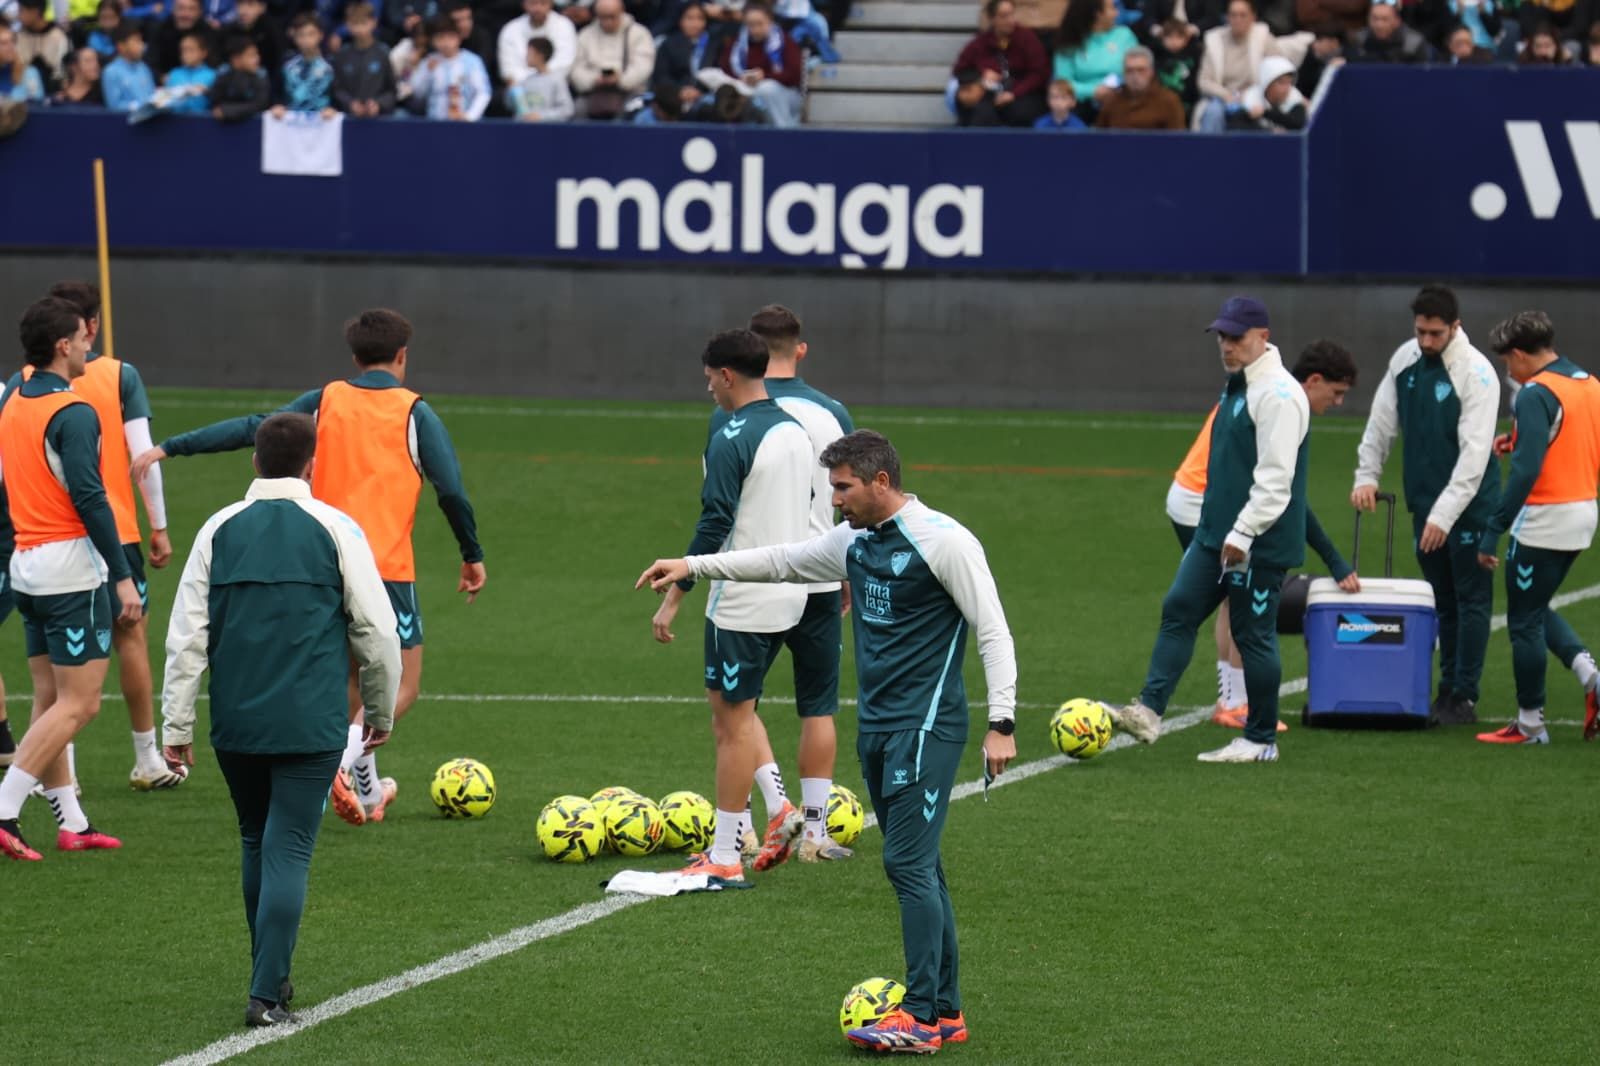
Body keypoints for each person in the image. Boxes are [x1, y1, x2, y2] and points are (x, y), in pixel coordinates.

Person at [637, 429, 1017, 1054]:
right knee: (923, 867)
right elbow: (782, 560)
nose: (834, 500)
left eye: (843, 488)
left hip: (926, 729)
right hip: (877, 728)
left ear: (881, 482)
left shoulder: (945, 541)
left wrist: (1001, 723)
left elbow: (994, 630)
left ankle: (921, 1016)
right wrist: (694, 567)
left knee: (907, 864)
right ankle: (946, 1012)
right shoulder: (854, 541)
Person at [131, 308, 485, 828]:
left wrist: (170, 447)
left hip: (322, 560)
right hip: (384, 567)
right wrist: (471, 554)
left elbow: (255, 428)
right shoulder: (415, 413)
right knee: (400, 684)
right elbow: (450, 489)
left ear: (355, 357)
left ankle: (367, 792)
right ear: (402, 355)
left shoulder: (326, 400)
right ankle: (337, 765)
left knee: (349, 681)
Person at [161, 413, 400, 1026]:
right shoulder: (337, 527)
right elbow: (377, 632)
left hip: (236, 724)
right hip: (310, 723)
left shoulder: (217, 529)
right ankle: (266, 994)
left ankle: (270, 976)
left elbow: (186, 637)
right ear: (311, 465)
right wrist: (379, 710)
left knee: (255, 840)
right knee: (289, 846)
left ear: (254, 462)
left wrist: (176, 726)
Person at [1111, 297, 1309, 763]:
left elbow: (1275, 482)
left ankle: (1261, 740)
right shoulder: (1238, 385)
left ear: (1263, 336)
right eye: (1222, 336)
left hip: (1257, 541)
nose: (1226, 345)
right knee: (1179, 607)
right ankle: (1149, 711)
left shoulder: (1280, 396)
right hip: (1215, 534)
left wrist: (1243, 534)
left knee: (1253, 634)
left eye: (1236, 337)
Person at [645, 328, 812, 878]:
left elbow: (714, 523)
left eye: (709, 380)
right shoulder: (795, 430)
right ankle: (774, 810)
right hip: (789, 593)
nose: (709, 390)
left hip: (742, 598)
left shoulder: (730, 435)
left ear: (726, 375)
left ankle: (723, 857)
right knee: (740, 713)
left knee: (730, 726)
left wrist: (676, 595)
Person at [0, 298, 141, 862]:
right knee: (80, 704)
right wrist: (123, 576)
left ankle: (72, 822)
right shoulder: (74, 412)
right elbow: (90, 497)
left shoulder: (14, 399)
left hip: (27, 564)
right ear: (64, 345)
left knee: (50, 697)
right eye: (84, 338)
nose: (89, 346)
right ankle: (4, 807)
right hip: (69, 572)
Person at [1170, 340, 1364, 730]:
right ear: (1314, 380)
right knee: (1244, 599)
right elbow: (1290, 502)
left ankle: (1230, 701)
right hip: (1203, 502)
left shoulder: (1267, 391)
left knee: (1231, 599)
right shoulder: (1282, 404)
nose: (1339, 402)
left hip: (1188, 496)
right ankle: (1238, 705)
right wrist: (1335, 561)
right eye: (1336, 392)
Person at [726, 304, 856, 865]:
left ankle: (751, 822)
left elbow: (723, 498)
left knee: (736, 706)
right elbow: (850, 496)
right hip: (821, 574)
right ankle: (816, 835)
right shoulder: (831, 412)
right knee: (818, 707)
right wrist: (846, 570)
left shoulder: (739, 412)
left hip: (757, 574)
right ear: (800, 349)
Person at [41, 281, 179, 791]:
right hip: (115, 532)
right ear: (91, 325)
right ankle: (148, 759)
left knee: (57, 657)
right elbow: (143, 457)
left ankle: (63, 774)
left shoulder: (24, 381)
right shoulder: (121, 375)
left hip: (48, 537)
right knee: (131, 637)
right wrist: (158, 525)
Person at [1352, 285, 1500, 726]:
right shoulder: (1405, 360)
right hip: (1424, 502)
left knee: (1471, 599)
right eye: (1421, 332)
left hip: (1470, 506)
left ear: (1455, 327)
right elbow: (1381, 423)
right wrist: (1366, 475)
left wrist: (1444, 515)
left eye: (1435, 333)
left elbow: (1475, 456)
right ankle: (1445, 688)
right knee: (1442, 599)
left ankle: (1463, 696)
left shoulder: (1477, 373)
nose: (1426, 341)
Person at [1474, 312, 1600, 746]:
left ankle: (1530, 725)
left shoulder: (1534, 393)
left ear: (1520, 354)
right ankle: (1590, 676)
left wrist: (1493, 529)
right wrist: (1519, 441)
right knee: (1535, 605)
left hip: (1545, 517)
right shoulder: (1589, 384)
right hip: (1583, 510)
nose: (1509, 370)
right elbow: (1571, 439)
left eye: (1507, 361)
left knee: (1523, 620)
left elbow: (1526, 471)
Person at [950, 0, 1049, 127]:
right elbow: (960, 70)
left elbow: (1039, 73)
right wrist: (981, 76)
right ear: (992, 19)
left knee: (1019, 111)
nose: (1010, 20)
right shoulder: (979, 44)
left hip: (1023, 93)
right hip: (990, 94)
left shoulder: (1027, 39)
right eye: (1004, 16)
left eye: (1012, 14)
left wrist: (1014, 93)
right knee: (978, 110)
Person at [1194, 0, 1283, 132]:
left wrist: (1252, 95)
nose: (1238, 20)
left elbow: (1279, 72)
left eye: (1243, 15)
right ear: (1227, 17)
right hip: (1224, 98)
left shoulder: (1264, 37)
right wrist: (1227, 95)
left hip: (1258, 97)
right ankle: (1209, 146)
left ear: (1253, 17)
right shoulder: (1214, 40)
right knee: (1213, 111)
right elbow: (1204, 81)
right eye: (1233, 15)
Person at [718, 0, 802, 127]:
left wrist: (765, 76)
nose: (755, 29)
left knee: (766, 89)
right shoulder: (737, 44)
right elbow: (726, 68)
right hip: (747, 90)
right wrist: (742, 78)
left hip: (784, 93)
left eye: (760, 24)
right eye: (751, 25)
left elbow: (794, 75)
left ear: (770, 21)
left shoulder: (785, 41)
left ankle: (782, 131)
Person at [570, 0, 656, 119]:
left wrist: (620, 80)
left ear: (621, 12)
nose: (608, 22)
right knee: (577, 109)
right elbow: (576, 68)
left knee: (630, 111)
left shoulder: (640, 33)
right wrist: (594, 80)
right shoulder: (585, 35)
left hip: (630, 92)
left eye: (612, 17)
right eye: (603, 17)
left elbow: (643, 66)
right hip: (593, 92)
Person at [1052, 0, 1139, 114]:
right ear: (1097, 14)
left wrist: (1115, 89)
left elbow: (1137, 68)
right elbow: (1063, 82)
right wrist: (1093, 91)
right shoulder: (1069, 41)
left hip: (1122, 99)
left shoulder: (1124, 35)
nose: (1117, 13)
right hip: (1080, 104)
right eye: (1112, 8)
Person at [408, 14, 491, 120]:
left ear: (459, 38)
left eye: (451, 37)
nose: (446, 43)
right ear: (433, 40)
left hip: (465, 122)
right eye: (440, 38)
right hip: (435, 122)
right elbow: (418, 94)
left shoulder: (472, 61)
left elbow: (483, 93)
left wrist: (470, 116)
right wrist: (426, 72)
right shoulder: (429, 62)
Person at [1095, 45, 1185, 129]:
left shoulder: (1169, 101)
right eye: (1129, 70)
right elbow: (1099, 136)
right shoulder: (1112, 101)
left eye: (1141, 70)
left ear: (1151, 71)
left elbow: (1178, 138)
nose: (1135, 76)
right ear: (1123, 73)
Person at [332, 3, 396, 117]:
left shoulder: (383, 53)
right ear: (348, 25)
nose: (359, 29)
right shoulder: (342, 55)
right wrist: (350, 104)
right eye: (355, 23)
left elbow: (392, 90)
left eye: (363, 23)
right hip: (349, 118)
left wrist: (378, 104)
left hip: (378, 118)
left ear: (374, 22)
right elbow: (337, 90)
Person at [652, 1, 715, 112]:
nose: (695, 23)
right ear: (680, 20)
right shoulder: (668, 45)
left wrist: (698, 92)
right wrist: (680, 91)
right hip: (673, 97)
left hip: (704, 97)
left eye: (700, 18)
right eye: (689, 18)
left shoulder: (713, 45)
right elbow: (661, 76)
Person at [498, 0, 577, 88]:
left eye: (543, 3)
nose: (538, 8)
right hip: (521, 88)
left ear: (551, 4)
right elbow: (509, 70)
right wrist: (532, 82)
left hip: (555, 86)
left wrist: (541, 80)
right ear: (524, 4)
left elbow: (565, 63)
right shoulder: (510, 30)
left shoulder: (564, 25)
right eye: (533, 3)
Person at [1228, 52, 1305, 131]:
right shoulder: (1251, 99)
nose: (1287, 88)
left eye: (1289, 83)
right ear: (1267, 83)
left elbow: (1297, 123)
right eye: (1282, 83)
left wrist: (1266, 113)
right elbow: (1237, 126)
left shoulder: (1294, 98)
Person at [278, 13, 334, 115]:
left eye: (311, 34)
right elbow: (278, 94)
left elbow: (338, 94)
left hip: (324, 121)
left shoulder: (331, 65)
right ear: (294, 37)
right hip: (291, 121)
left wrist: (334, 109)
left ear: (321, 35)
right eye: (301, 35)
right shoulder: (286, 66)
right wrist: (278, 106)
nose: (306, 40)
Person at [509, 35, 574, 118]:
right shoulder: (526, 81)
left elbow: (567, 109)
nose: (526, 57)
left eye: (529, 53)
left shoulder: (557, 80)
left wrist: (541, 116)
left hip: (546, 126)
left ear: (540, 55)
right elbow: (514, 107)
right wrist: (512, 91)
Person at [229, 0, 284, 99]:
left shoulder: (273, 32)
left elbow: (277, 66)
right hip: (235, 85)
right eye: (240, 4)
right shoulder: (230, 31)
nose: (243, 10)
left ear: (262, 8)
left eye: (250, 4)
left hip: (266, 87)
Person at [1346, 1, 1432, 62]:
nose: (1379, 25)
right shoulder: (1359, 40)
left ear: (1397, 21)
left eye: (1385, 19)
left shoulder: (1413, 43)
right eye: (1374, 19)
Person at [210, 33, 270, 119]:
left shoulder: (261, 76)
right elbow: (215, 101)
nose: (257, 59)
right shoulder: (224, 75)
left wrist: (228, 111)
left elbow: (260, 104)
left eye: (257, 54)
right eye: (251, 55)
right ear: (236, 59)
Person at [152, 0, 219, 77]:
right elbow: (151, 61)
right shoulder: (161, 29)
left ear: (200, 12)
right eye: (181, 8)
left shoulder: (208, 32)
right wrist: (160, 77)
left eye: (191, 9)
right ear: (173, 9)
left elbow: (214, 62)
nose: (186, 14)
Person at [16, 0, 72, 89]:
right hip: (23, 87)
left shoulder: (58, 36)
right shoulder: (19, 36)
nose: (18, 16)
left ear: (35, 12)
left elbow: (63, 73)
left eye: (21, 11)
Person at [101, 21, 155, 110]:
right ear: (121, 46)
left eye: (141, 41)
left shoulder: (144, 68)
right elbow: (114, 106)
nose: (141, 46)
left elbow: (152, 96)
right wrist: (141, 106)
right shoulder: (111, 72)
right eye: (136, 41)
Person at [1153, 17, 1201, 114]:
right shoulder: (1157, 56)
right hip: (1162, 104)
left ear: (1186, 39)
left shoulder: (1194, 56)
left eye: (1179, 37)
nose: (1174, 41)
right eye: (1169, 37)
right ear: (1162, 38)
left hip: (1187, 104)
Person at [163, 31, 217, 113]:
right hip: (175, 118)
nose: (186, 54)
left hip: (201, 119)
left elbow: (216, 101)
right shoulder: (174, 73)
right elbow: (165, 100)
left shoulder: (212, 75)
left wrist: (207, 91)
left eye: (191, 50)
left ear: (204, 53)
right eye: (183, 50)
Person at [1296, 23, 1346, 96]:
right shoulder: (1304, 53)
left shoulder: (1323, 57)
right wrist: (1329, 68)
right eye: (1332, 45)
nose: (1334, 49)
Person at [1, 24, 46, 103]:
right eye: (4, 43)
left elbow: (38, 104)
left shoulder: (29, 73)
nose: (11, 46)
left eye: (13, 41)